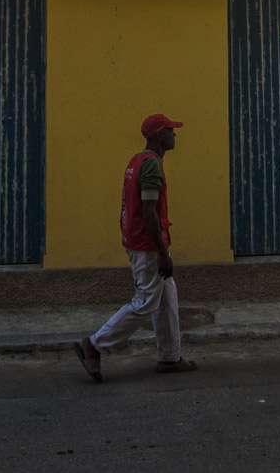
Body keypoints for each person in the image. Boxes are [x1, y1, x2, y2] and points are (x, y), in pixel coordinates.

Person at [74, 113, 198, 382]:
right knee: (145, 302)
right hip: (148, 245)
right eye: (169, 131)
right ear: (156, 137)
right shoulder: (152, 165)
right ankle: (94, 345)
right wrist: (162, 252)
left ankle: (170, 357)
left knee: (167, 298)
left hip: (140, 240)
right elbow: (149, 212)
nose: (174, 135)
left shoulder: (136, 161)